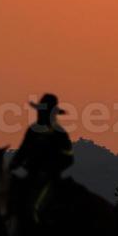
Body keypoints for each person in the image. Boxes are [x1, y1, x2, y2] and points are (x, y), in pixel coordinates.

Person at [9, 93, 73, 224]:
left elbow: (68, 158)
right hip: (31, 176)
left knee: (37, 206)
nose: (40, 114)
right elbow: (22, 152)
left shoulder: (59, 133)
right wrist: (13, 164)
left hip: (50, 180)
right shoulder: (32, 131)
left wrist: (50, 170)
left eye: (44, 111)